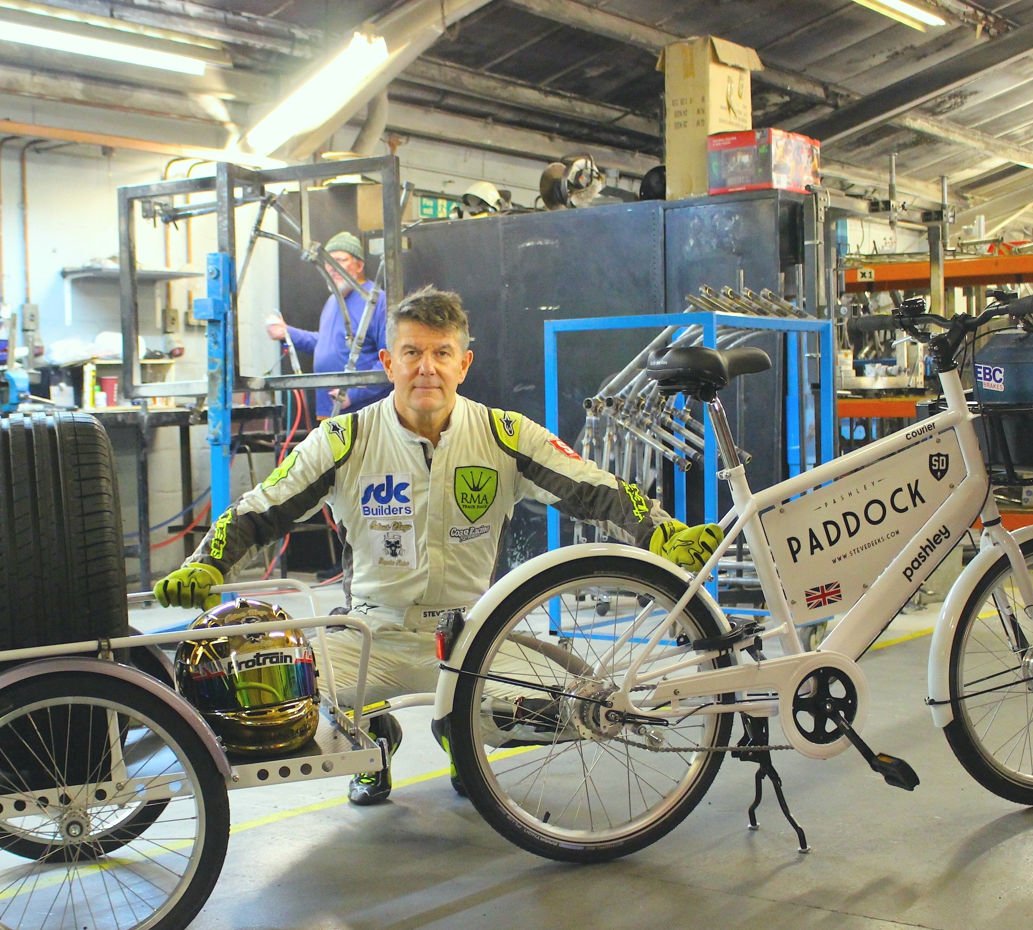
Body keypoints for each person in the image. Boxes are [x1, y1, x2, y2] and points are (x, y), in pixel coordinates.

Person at [155, 287, 723, 805]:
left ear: (463, 364)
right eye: (411, 353)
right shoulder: (344, 439)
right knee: (270, 698)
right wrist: (207, 562)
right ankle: (375, 745)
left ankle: (464, 739)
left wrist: (660, 531)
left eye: (442, 353)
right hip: (372, 635)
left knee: (581, 709)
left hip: (471, 638)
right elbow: (260, 508)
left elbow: (595, 489)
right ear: (388, 361)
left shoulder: (506, 435)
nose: (426, 367)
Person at [266, 231, 390, 418]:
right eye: (328, 262)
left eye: (340, 260)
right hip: (330, 412)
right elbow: (326, 343)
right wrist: (287, 332)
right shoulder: (333, 301)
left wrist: (353, 394)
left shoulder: (376, 302)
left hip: (364, 414)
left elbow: (391, 359)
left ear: (359, 265)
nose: (332, 268)